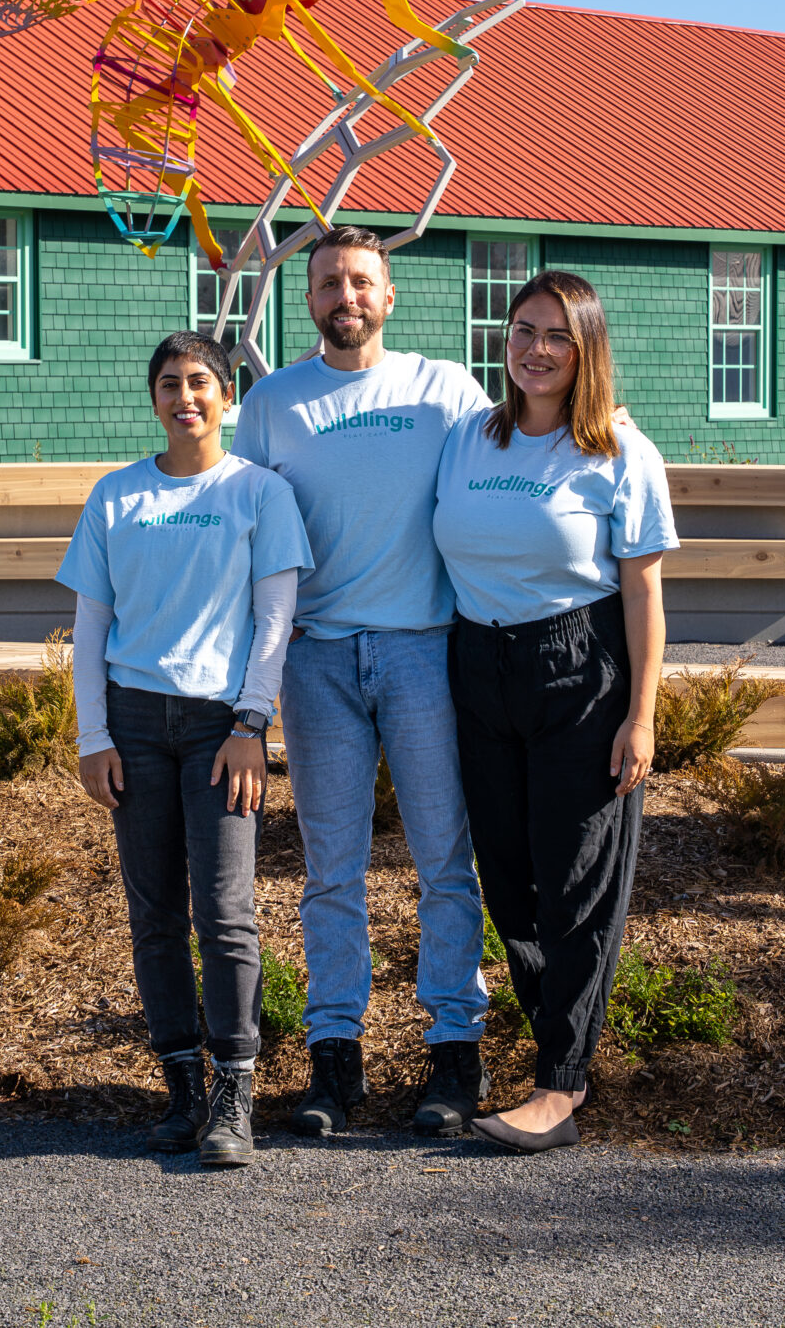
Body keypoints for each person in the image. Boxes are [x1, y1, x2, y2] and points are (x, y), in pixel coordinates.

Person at [230, 225, 496, 1138]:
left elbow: (513, 464)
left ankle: (455, 1056)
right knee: (329, 872)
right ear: (308, 301)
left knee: (443, 867)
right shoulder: (271, 402)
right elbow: (251, 528)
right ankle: (333, 1060)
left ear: (389, 296)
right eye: (329, 283)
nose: (346, 297)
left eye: (361, 281)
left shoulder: (445, 389)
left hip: (424, 648)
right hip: (319, 660)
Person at [431, 270, 677, 1154]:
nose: (535, 348)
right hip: (478, 667)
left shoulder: (616, 449)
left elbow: (645, 595)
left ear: (587, 350)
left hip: (579, 667)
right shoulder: (471, 437)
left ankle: (559, 1084)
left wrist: (641, 715)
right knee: (507, 876)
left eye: (557, 336)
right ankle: (554, 1047)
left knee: (577, 882)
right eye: (523, 329)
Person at [58, 330, 312, 1169]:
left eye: (200, 381)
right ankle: (181, 1088)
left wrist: (251, 724)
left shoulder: (259, 494)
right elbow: (92, 624)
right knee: (156, 913)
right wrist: (93, 736)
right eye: (169, 383)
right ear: (154, 397)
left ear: (228, 396)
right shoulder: (116, 495)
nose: (185, 397)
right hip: (134, 723)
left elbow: (274, 620)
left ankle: (235, 1090)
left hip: (218, 730)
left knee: (227, 910)